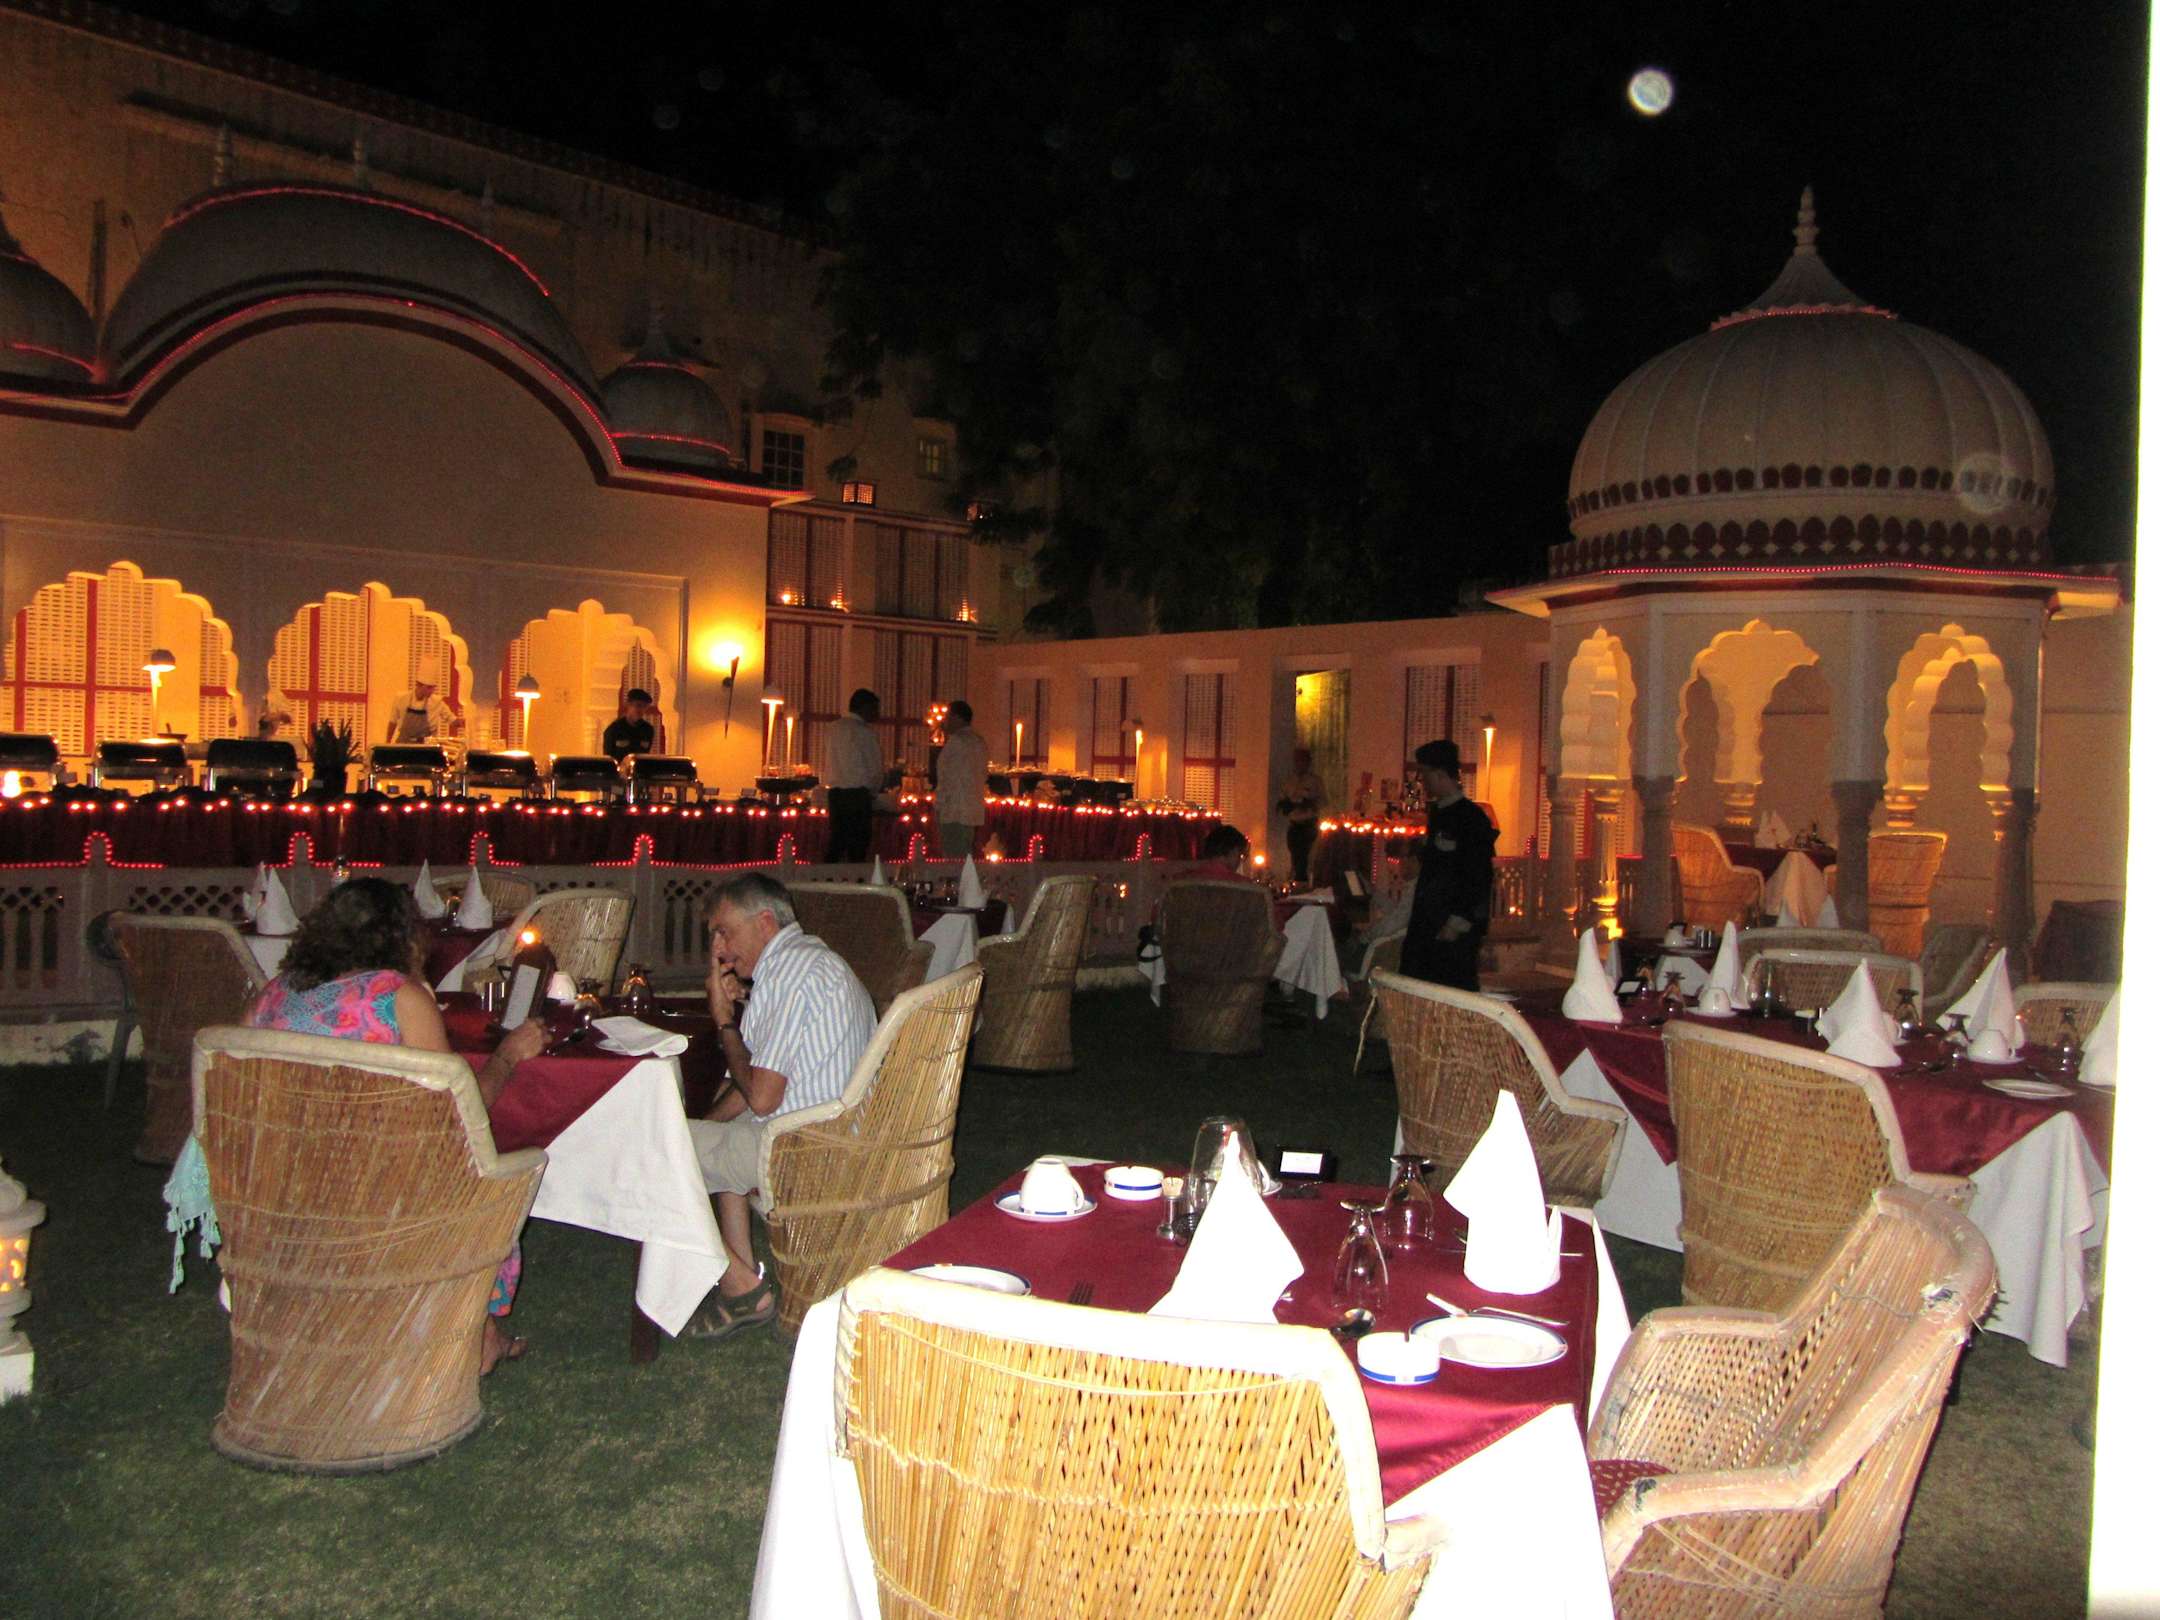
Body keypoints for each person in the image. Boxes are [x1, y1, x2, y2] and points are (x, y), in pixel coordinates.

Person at [245, 878, 546, 1372]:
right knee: (479, 1176)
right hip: (379, 1197)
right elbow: (456, 1113)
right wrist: (507, 1057)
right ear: (404, 936)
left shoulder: (270, 997)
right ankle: (479, 1336)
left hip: (280, 1190)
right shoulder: (397, 997)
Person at [684, 873, 876, 1339]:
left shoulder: (787, 973)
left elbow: (760, 1096)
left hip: (804, 1148)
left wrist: (725, 1021)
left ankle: (741, 1286)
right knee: (698, 1139)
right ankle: (742, 1278)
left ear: (765, 923)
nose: (719, 949)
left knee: (651, 1151)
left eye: (724, 932)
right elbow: (751, 1087)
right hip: (836, 1135)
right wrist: (700, 1130)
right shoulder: (807, 961)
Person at [1399, 739, 1497, 991]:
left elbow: (1478, 875)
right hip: (1429, 921)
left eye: (1425, 775)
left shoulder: (1471, 818)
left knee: (1451, 988)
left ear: (1440, 774)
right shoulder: (1438, 814)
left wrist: (1457, 922)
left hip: (1451, 927)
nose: (1423, 782)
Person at [826, 687, 886, 863]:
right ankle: (855, 879)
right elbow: (875, 768)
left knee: (836, 843)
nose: (877, 714)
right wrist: (873, 792)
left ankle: (828, 877)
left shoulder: (833, 728)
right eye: (875, 709)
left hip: (835, 795)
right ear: (865, 708)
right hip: (858, 796)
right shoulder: (865, 732)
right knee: (858, 847)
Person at [932, 698, 990, 859]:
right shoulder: (978, 741)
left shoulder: (957, 742)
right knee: (965, 856)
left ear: (957, 718)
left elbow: (947, 778)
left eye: (947, 717)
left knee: (953, 859)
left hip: (954, 810)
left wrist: (938, 804)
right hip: (972, 809)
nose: (944, 722)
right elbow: (983, 774)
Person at [1276, 748, 1326, 885]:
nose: (1300, 763)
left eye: (1303, 760)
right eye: (1297, 760)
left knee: (1307, 858)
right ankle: (1296, 882)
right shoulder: (1289, 781)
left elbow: (1323, 801)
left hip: (1309, 825)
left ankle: (1305, 883)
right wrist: (1288, 805)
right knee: (1295, 856)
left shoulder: (1315, 781)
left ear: (1308, 762)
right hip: (1294, 825)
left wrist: (1309, 804)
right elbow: (1282, 800)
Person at [385, 661, 460, 745]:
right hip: (404, 745)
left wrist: (465, 721)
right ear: (419, 685)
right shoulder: (401, 698)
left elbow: (452, 720)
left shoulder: (437, 702)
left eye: (433, 688)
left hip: (427, 747)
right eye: (429, 688)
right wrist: (387, 743)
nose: (432, 691)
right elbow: (393, 722)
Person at [602, 687, 664, 761]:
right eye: (638, 705)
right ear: (628, 704)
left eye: (644, 707)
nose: (641, 710)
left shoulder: (647, 730)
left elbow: (645, 755)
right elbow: (608, 759)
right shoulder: (614, 729)